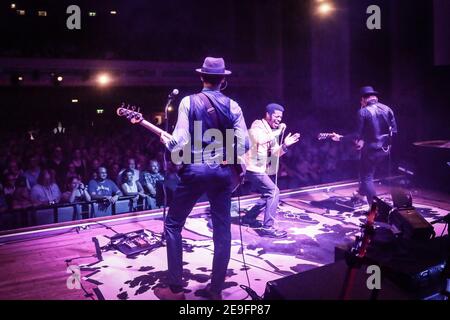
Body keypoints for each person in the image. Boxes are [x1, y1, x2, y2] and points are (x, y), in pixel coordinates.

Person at [154, 57, 249, 300]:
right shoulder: (233, 106)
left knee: (173, 225)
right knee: (222, 231)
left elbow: (180, 142)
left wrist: (167, 141)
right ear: (223, 80)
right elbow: (245, 143)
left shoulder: (189, 102)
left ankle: (175, 289)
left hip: (195, 171)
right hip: (222, 174)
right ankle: (215, 290)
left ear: (201, 77)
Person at [329, 86, 398, 204]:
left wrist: (340, 138)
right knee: (367, 171)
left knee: (367, 177)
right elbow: (394, 131)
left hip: (371, 150)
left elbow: (357, 135)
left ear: (363, 100)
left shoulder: (363, 112)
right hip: (386, 149)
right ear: (375, 98)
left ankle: (375, 208)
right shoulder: (388, 109)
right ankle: (361, 194)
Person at [241, 103, 300, 238]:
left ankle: (248, 218)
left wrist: (285, 145)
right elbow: (259, 139)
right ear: (268, 115)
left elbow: (275, 153)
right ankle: (268, 228)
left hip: (258, 168)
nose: (279, 120)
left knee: (267, 195)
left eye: (281, 117)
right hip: (250, 167)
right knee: (273, 191)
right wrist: (278, 132)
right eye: (276, 116)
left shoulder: (271, 131)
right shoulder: (257, 125)